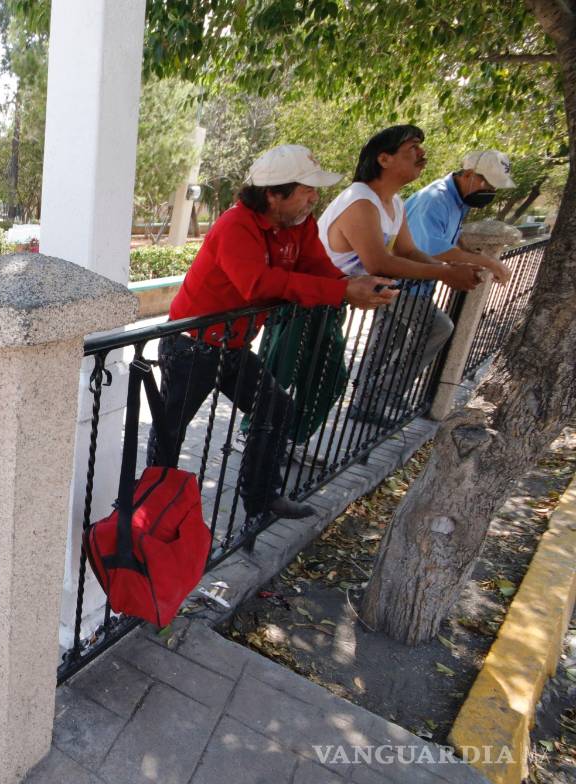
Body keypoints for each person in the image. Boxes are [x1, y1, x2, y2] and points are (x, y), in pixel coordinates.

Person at [149, 145, 396, 525]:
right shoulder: (235, 224)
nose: (314, 198)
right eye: (307, 190)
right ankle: (152, 512)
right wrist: (342, 291)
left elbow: (316, 266)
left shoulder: (299, 225)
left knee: (277, 409)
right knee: (170, 431)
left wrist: (351, 285)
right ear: (273, 194)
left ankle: (261, 499)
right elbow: (256, 284)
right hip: (191, 346)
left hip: (231, 344)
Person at [318, 125, 485, 424]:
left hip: (336, 301)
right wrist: (444, 273)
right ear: (384, 159)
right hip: (312, 303)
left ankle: (368, 402)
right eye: (412, 149)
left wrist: (448, 270)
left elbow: (407, 250)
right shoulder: (361, 201)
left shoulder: (394, 202)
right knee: (313, 380)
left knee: (322, 381)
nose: (422, 153)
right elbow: (379, 263)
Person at [406, 149, 515, 279]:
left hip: (422, 279)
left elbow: (448, 235)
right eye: (488, 185)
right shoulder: (435, 200)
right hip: (403, 282)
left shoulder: (459, 199)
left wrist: (471, 258)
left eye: (494, 188)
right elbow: (431, 248)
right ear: (468, 174)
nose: (490, 192)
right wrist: (489, 262)